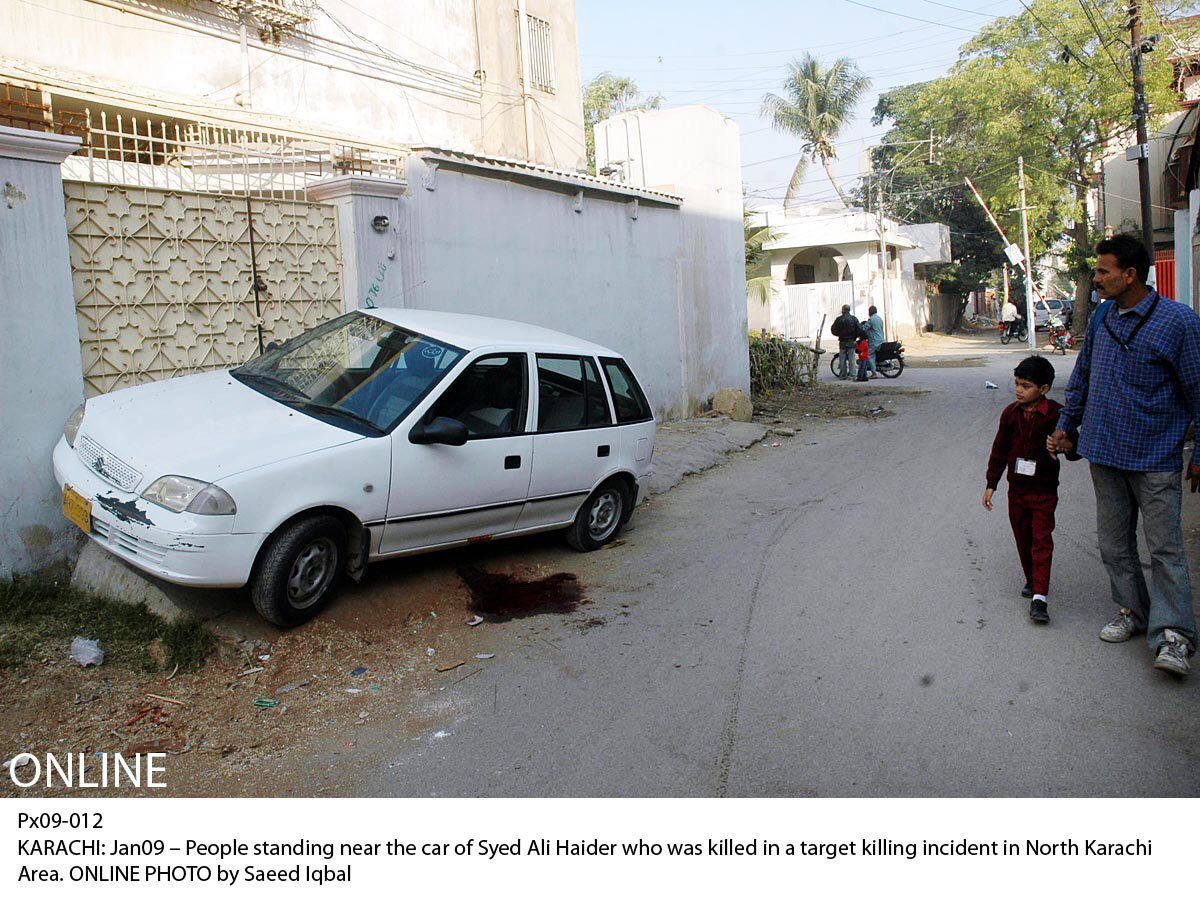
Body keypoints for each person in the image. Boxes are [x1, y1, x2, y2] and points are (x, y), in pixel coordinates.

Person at [1048, 234, 1200, 677]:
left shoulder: (1179, 322)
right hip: (1105, 452)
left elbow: (1198, 390)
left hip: (1156, 457)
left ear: (1130, 275)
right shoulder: (1101, 317)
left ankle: (1174, 637)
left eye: (1102, 272)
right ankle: (1132, 612)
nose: (1096, 280)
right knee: (1114, 544)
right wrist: (1066, 424)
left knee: (1166, 548)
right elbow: (1083, 376)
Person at [983, 356, 1077, 624]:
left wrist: (1064, 445)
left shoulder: (1057, 416)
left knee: (1041, 541)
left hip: (1044, 491)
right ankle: (1032, 578)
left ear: (1044, 389)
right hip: (1017, 491)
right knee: (1023, 538)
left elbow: (1075, 447)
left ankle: (1040, 598)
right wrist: (992, 484)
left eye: (1026, 386)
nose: (1019, 390)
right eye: (1016, 384)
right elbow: (999, 450)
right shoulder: (1010, 414)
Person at [830, 304, 863, 381]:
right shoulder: (854, 319)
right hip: (851, 341)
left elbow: (833, 330)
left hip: (842, 342)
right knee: (852, 359)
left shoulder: (839, 319)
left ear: (843, 310)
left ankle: (842, 375)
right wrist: (856, 337)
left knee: (842, 359)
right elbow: (859, 329)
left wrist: (839, 334)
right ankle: (853, 375)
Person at [863, 305, 885, 378]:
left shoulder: (871, 319)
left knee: (869, 355)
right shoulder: (879, 318)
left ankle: (874, 373)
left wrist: (860, 329)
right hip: (881, 340)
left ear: (870, 312)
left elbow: (864, 328)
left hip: (875, 341)